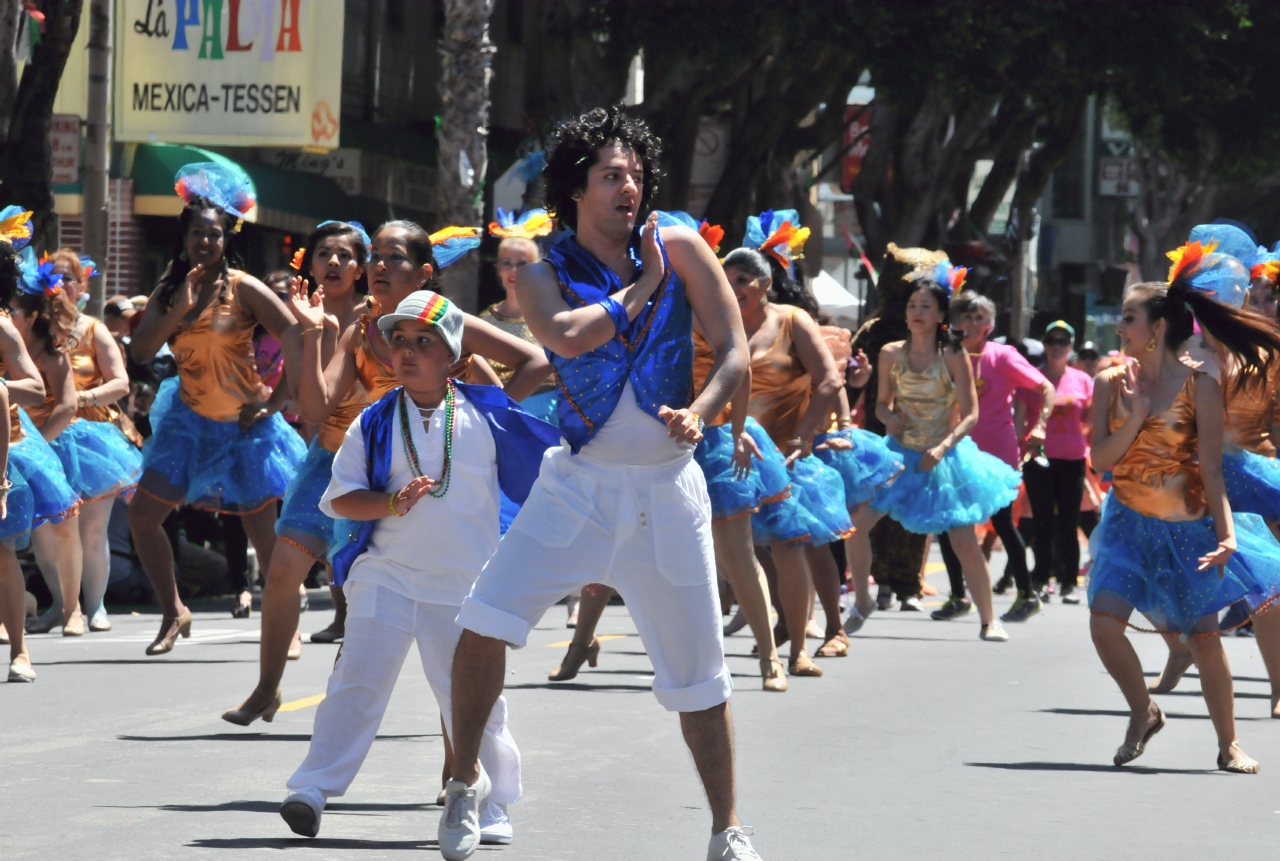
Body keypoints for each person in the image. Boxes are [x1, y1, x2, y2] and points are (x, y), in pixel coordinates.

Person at [445, 106, 763, 861]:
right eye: (611, 175)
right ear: (576, 191)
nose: (630, 185)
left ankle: (727, 829)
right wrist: (647, 283)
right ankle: (463, 785)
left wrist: (704, 410)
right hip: (577, 487)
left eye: (636, 172)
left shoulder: (681, 245)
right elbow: (566, 337)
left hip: (666, 490)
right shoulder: (540, 270)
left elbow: (735, 352)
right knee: (482, 622)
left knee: (701, 677)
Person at [279, 290, 559, 846]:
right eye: (398, 341)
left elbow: (542, 480)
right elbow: (341, 499)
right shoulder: (373, 421)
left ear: (454, 356)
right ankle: (311, 788)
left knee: (470, 700)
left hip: (465, 585)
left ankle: (494, 802)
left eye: (424, 342)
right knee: (355, 681)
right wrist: (389, 504)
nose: (407, 352)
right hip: (386, 574)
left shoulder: (489, 413)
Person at [1087, 250, 1280, 772]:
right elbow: (1100, 458)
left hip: (1189, 527)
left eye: (1128, 317)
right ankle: (1143, 710)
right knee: (1104, 626)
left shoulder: (1202, 387)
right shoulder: (1110, 383)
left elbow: (1214, 472)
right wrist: (1139, 416)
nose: (1119, 325)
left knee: (1203, 639)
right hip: (1127, 523)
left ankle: (1229, 744)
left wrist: (1229, 535)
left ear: (1158, 327)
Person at [128, 162, 306, 656]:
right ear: (183, 237)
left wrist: (276, 401)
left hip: (245, 429)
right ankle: (172, 611)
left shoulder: (244, 287)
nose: (206, 241)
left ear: (226, 238)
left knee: (264, 540)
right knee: (143, 517)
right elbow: (141, 352)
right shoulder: (169, 291)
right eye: (198, 233)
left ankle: (285, 625)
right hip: (188, 424)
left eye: (215, 234)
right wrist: (180, 310)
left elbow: (295, 334)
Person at [845, 272, 1021, 643]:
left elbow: (971, 413)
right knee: (856, 525)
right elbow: (880, 404)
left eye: (925, 306)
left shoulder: (953, 353)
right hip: (899, 455)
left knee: (963, 542)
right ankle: (862, 600)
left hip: (946, 457)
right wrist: (889, 418)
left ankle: (989, 619)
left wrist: (941, 449)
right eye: (912, 305)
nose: (916, 312)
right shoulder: (891, 352)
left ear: (941, 313)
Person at [719, 227, 855, 665]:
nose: (733, 287)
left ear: (764, 285)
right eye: (727, 278)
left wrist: (806, 435)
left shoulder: (793, 320)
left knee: (800, 545)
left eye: (742, 279)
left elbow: (831, 379)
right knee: (758, 548)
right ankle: (786, 621)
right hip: (742, 456)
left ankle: (832, 629)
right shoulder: (720, 325)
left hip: (791, 453)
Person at [34, 250, 141, 634]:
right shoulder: (32, 328)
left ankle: (95, 606)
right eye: (52, 276)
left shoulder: (94, 329)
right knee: (43, 530)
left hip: (91, 440)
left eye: (67, 278)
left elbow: (121, 383)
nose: (58, 285)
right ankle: (62, 605)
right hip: (40, 435)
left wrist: (81, 399)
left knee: (91, 528)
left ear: (82, 287)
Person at [934, 289, 1054, 623]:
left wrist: (1040, 426)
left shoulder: (1001, 357)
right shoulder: (943, 354)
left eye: (979, 317)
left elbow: (1045, 387)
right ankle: (958, 595)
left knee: (1001, 523)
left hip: (994, 454)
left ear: (989, 324)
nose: (972, 323)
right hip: (953, 450)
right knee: (948, 522)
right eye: (966, 317)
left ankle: (1027, 594)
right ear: (954, 322)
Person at [849, 245, 946, 611]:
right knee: (877, 507)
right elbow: (848, 374)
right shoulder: (875, 333)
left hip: (926, 435)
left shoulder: (940, 337)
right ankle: (882, 580)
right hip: (880, 433)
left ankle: (908, 583)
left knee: (915, 508)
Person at [0, 208, 43, 680]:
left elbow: (34, 386)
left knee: (1, 553)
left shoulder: (2, 325)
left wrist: (0, 386)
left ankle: (19, 651)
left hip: (1, 448)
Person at [1022, 320, 1092, 604]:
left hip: (1072, 459)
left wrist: (1091, 446)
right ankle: (1040, 579)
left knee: (1068, 522)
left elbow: (1091, 419)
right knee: (1041, 522)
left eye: (1063, 341)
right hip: (1039, 457)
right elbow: (1020, 418)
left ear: (1071, 346)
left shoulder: (1083, 380)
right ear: (1045, 344)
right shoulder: (1032, 379)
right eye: (1052, 340)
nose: (1057, 346)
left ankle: (1068, 582)